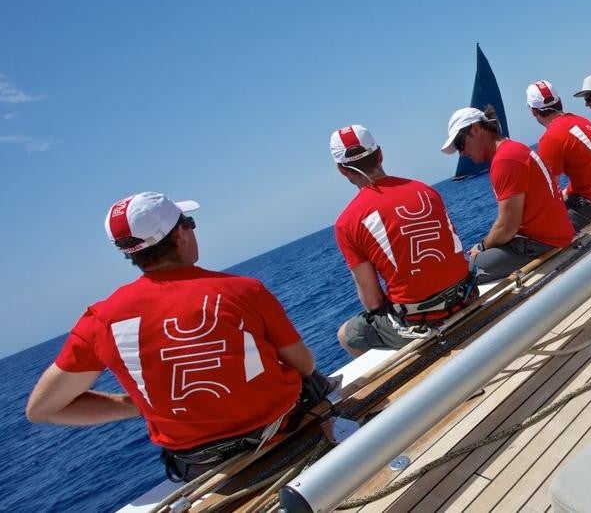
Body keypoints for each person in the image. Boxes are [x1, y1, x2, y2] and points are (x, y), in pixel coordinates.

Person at [26, 192, 328, 482]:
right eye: (190, 223)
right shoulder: (243, 290)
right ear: (179, 235)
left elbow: (43, 409)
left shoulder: (99, 321)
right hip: (286, 428)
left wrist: (138, 405)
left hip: (201, 466)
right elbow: (303, 364)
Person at [329, 124, 474, 356]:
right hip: (466, 295)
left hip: (420, 320)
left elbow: (373, 301)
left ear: (342, 170)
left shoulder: (347, 222)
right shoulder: (424, 189)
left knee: (348, 335)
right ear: (380, 154)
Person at [442, 106, 574, 283]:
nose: (461, 153)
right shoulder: (514, 148)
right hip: (558, 232)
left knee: (467, 270)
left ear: (475, 129)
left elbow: (507, 228)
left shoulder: (504, 160)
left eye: (460, 144)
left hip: (544, 242)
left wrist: (481, 246)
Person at [526, 80, 591, 228]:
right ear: (559, 102)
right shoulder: (582, 120)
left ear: (534, 111)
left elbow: (549, 194)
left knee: (541, 229)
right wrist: (567, 192)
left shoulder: (550, 138)